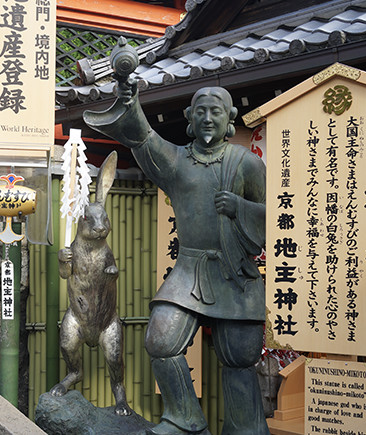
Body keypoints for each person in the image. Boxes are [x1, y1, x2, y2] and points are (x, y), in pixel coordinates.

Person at [83, 80, 268, 434]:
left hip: (235, 273)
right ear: (189, 118)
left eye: (216, 111)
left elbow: (273, 217)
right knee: (161, 339)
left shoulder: (245, 164)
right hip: (189, 270)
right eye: (201, 112)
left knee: (240, 356)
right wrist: (129, 98)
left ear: (230, 117)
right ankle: (185, 419)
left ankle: (245, 428)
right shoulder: (178, 162)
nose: (208, 118)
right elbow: (144, 139)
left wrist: (240, 207)